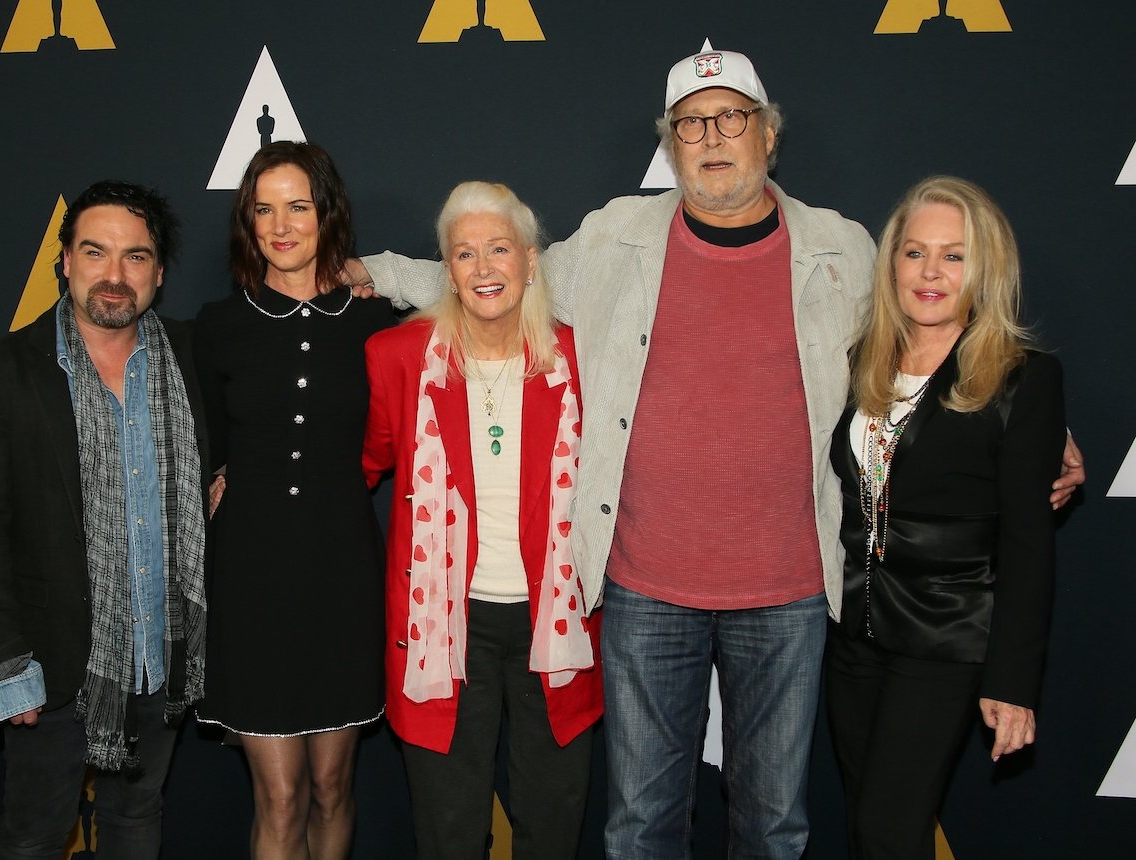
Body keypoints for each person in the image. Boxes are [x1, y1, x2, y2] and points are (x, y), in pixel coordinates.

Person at [345, 51, 1084, 858]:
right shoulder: (614, 236)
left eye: (731, 117)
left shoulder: (838, 247)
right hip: (641, 589)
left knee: (771, 825)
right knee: (638, 826)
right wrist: (374, 272)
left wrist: (1029, 425)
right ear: (671, 144)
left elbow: (924, 336)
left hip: (789, 593)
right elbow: (496, 280)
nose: (711, 138)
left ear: (767, 134)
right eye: (691, 124)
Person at [0, 180, 208, 859]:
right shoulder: (3, 373)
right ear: (64, 261)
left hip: (163, 657)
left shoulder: (194, 360)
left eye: (136, 257)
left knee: (136, 821)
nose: (115, 276)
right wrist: (7, 667)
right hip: (53, 667)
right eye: (96, 253)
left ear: (158, 271)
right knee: (34, 837)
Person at [825, 176, 1064, 859]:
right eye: (913, 252)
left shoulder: (1021, 377)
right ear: (890, 262)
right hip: (851, 636)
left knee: (887, 832)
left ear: (983, 269)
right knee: (864, 823)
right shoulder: (855, 362)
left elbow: (1027, 540)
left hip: (944, 640)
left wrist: (1012, 682)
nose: (930, 272)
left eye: (953, 256)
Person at [361, 181, 602, 859]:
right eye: (464, 254)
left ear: (530, 261)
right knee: (447, 829)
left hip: (553, 622)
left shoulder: (580, 358)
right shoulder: (397, 359)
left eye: (499, 249)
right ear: (447, 270)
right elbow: (357, 464)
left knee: (552, 824)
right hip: (444, 621)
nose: (484, 267)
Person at [193, 141, 393, 860]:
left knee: (333, 786)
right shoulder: (216, 328)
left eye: (298, 207)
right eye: (263, 209)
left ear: (326, 214)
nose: (281, 225)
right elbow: (201, 445)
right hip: (250, 580)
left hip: (342, 574)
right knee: (278, 796)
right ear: (246, 221)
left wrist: (376, 276)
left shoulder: (377, 323)